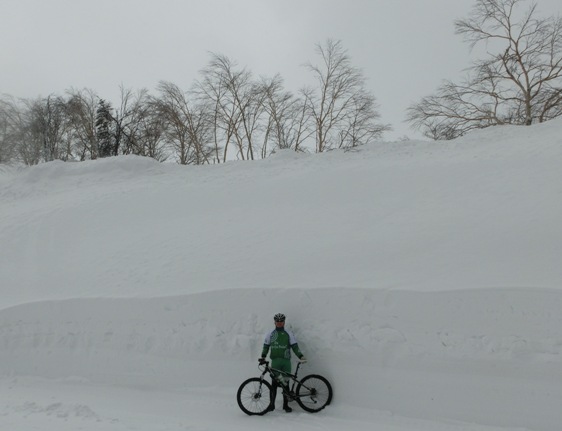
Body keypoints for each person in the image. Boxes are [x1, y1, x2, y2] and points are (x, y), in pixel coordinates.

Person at [260, 313, 306, 413]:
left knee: (285, 384)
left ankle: (286, 406)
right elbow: (266, 346)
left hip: (286, 362)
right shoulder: (270, 333)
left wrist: (300, 356)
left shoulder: (288, 333)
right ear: (274, 322)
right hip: (275, 361)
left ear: (284, 322)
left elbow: (294, 346)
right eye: (277, 322)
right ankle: (271, 405)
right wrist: (263, 356)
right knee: (274, 384)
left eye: (281, 322)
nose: (279, 323)